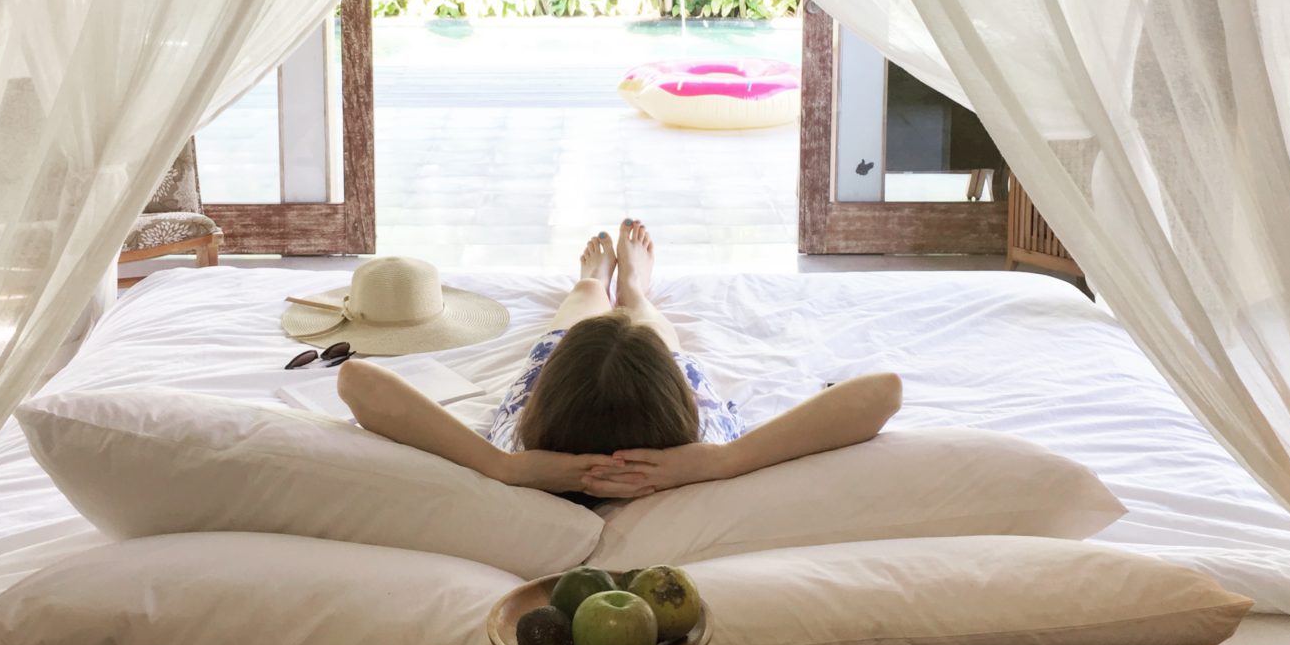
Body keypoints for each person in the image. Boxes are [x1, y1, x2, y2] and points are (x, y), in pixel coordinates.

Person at [338, 219, 902, 500]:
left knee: (585, 306)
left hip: (580, 406)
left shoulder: (523, 448)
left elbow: (357, 381)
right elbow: (883, 392)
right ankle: (634, 290)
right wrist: (724, 460)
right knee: (653, 330)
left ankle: (602, 283)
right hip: (667, 419)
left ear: (547, 392)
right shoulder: (702, 439)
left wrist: (503, 468)